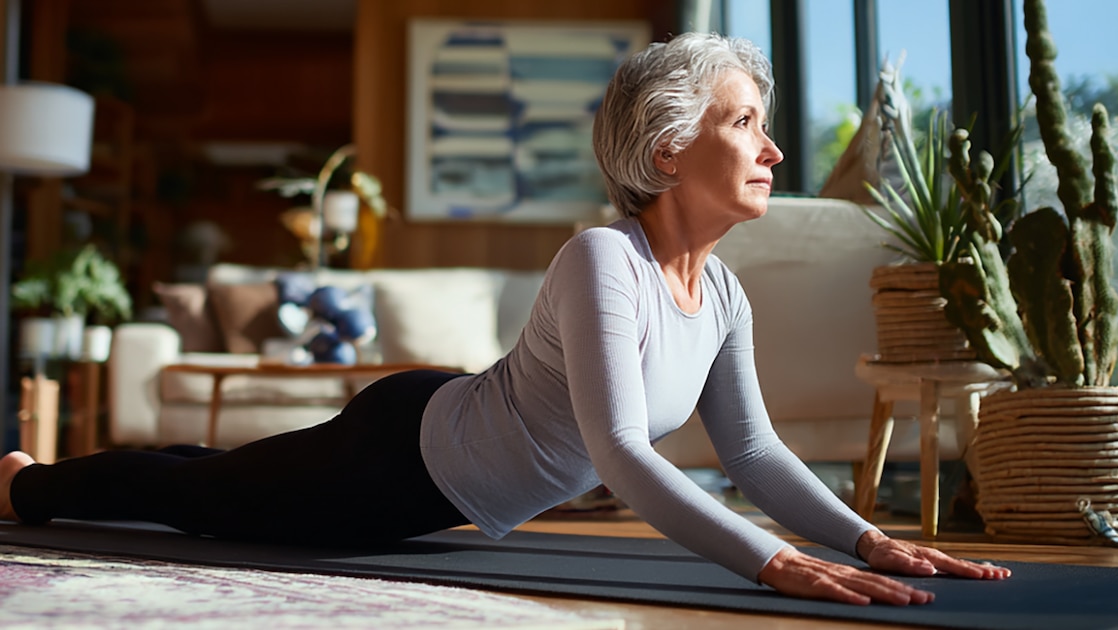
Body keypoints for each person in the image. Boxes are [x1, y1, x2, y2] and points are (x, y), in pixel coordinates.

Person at [0, 32, 1009, 605]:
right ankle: (29, 489)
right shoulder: (601, 258)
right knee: (206, 503)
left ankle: (103, 469)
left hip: (434, 447)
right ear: (665, 147)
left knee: (214, 478)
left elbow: (749, 449)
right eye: (745, 121)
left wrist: (865, 540)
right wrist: (774, 561)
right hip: (398, 457)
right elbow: (619, 449)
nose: (773, 149)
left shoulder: (725, 297)